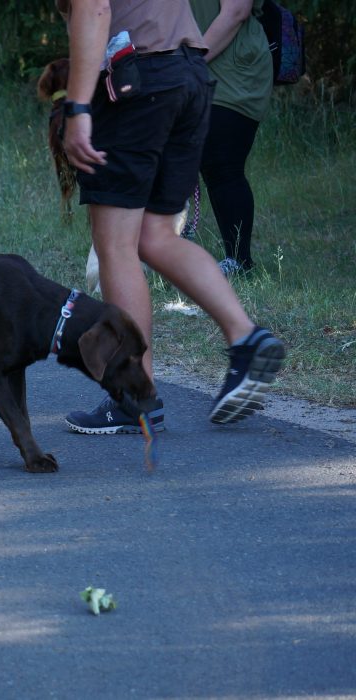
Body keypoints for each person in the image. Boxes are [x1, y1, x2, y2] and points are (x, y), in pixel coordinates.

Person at [56, 0, 285, 434]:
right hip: (189, 75)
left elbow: (95, 9)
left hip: (135, 81)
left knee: (116, 246)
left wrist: (78, 108)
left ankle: (134, 396)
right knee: (156, 235)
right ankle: (245, 338)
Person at [190, 0, 273, 276]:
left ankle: (239, 261)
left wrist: (193, 61)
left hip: (233, 71)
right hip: (196, 70)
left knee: (222, 164)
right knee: (210, 165)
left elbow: (237, 11)